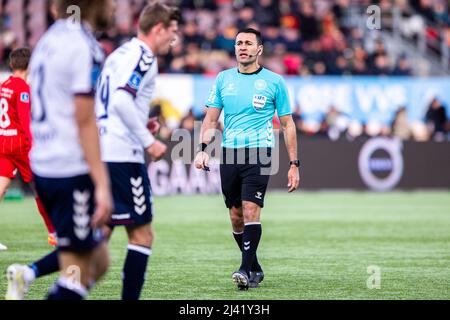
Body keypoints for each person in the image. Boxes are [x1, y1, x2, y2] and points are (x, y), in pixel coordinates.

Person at [6, 0, 114, 300]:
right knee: (77, 271)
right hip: (70, 169)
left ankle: (32, 276)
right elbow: (84, 119)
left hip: (46, 165)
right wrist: (102, 185)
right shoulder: (84, 46)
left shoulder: (48, 41)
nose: (116, 7)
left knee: (99, 262)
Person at [194, 28, 300, 290]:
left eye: (248, 43)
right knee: (235, 215)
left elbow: (287, 124)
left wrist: (293, 164)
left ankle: (244, 269)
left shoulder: (274, 82)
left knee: (251, 209)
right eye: (239, 43)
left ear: (259, 49)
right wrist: (203, 147)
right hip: (229, 152)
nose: (242, 47)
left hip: (259, 152)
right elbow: (211, 117)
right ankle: (254, 266)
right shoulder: (223, 79)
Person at [94, 2, 179, 300]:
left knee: (98, 239)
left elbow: (109, 102)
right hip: (123, 155)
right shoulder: (145, 57)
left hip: (103, 150)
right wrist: (147, 139)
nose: (175, 39)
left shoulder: (119, 53)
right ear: (158, 29)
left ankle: (33, 274)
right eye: (173, 31)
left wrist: (142, 122)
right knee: (142, 235)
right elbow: (119, 101)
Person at [0, 48, 57, 249]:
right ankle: (53, 233)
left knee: (1, 188)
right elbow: (25, 121)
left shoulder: (4, 85)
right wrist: (33, 147)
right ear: (29, 65)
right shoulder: (23, 88)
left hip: (3, 142)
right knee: (39, 189)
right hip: (20, 145)